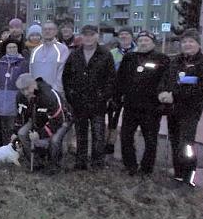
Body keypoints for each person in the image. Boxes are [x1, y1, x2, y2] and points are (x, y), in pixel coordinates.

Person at [158, 29, 203, 187]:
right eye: (184, 42)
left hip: (190, 111)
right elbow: (166, 79)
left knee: (187, 145)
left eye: (191, 41)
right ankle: (178, 174)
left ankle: (188, 177)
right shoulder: (176, 61)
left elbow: (201, 87)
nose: (187, 44)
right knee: (175, 142)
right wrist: (162, 92)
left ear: (198, 44)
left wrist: (174, 95)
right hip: (173, 110)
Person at [115, 31, 169, 176]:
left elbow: (166, 81)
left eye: (146, 40)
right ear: (136, 43)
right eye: (140, 41)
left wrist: (163, 102)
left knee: (150, 140)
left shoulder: (162, 59)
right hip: (131, 106)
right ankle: (130, 166)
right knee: (125, 137)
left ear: (153, 43)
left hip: (151, 108)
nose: (143, 43)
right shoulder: (129, 58)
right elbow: (120, 79)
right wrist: (117, 98)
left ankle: (146, 169)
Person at [63, 25, 116, 170]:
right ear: (82, 36)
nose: (88, 37)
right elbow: (66, 77)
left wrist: (103, 95)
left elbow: (111, 79)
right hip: (78, 102)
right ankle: (80, 162)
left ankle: (97, 163)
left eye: (91, 35)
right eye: (85, 35)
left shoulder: (105, 54)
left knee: (98, 134)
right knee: (81, 134)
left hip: (97, 103)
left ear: (96, 36)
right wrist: (71, 94)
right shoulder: (74, 54)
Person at [13, 74, 71, 174]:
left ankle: (54, 165)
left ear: (33, 84)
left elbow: (58, 118)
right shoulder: (20, 96)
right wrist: (15, 132)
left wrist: (40, 133)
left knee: (55, 139)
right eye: (22, 90)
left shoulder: (48, 95)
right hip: (38, 119)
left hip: (62, 119)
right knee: (21, 133)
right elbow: (20, 114)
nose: (25, 92)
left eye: (27, 89)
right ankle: (35, 162)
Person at [0, 39, 29, 149]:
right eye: (9, 47)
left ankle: (14, 147)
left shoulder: (23, 63)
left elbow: (25, 81)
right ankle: (4, 147)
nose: (12, 49)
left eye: (14, 47)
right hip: (1, 97)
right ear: (5, 49)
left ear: (18, 49)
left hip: (15, 97)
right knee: (3, 125)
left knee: (13, 125)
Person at [106, 27, 137, 154]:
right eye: (121, 34)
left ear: (131, 36)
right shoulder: (112, 52)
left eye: (126, 34)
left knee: (131, 120)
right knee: (113, 118)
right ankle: (109, 143)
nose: (124, 37)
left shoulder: (138, 51)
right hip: (116, 90)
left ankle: (131, 146)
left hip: (133, 91)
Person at [29, 21, 69, 93]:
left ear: (56, 31)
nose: (47, 31)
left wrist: (56, 90)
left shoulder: (62, 49)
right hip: (37, 92)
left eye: (50, 29)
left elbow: (62, 71)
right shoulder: (35, 50)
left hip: (54, 92)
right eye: (45, 29)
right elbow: (31, 70)